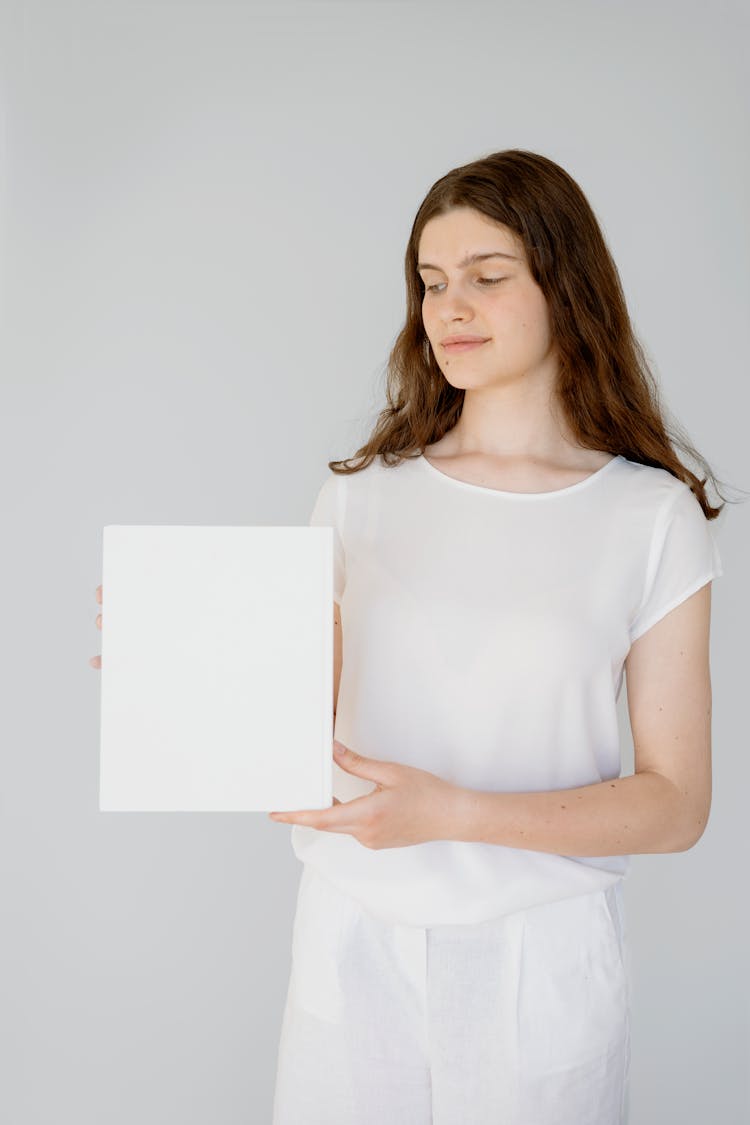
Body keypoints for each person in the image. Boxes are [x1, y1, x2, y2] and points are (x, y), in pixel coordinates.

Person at [90, 148, 726, 1124]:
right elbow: (298, 733)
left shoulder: (650, 519)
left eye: (486, 277)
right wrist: (188, 669)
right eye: (431, 283)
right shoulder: (360, 497)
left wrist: (453, 813)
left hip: (541, 963)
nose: (449, 307)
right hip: (354, 947)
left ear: (566, 285)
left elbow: (676, 807)